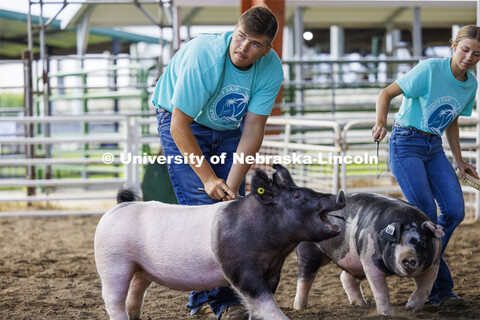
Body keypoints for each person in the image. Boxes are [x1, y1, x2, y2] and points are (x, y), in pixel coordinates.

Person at [151, 5, 283, 319]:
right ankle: (223, 301)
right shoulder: (205, 56)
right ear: (234, 30)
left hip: (228, 127)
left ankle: (201, 299)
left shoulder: (271, 69)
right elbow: (178, 126)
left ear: (267, 49)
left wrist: (232, 188)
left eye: (254, 44)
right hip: (182, 120)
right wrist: (210, 180)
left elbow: (253, 130)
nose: (243, 47)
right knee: (201, 205)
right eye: (240, 37)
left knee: (225, 210)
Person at [372, 25, 480, 307]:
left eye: (477, 54)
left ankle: (419, 255)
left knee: (455, 211)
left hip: (434, 147)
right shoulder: (429, 70)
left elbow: (452, 119)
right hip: (405, 143)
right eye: (465, 49)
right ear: (453, 45)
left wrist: (459, 160)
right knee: (427, 217)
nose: (469, 57)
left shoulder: (471, 84)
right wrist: (381, 122)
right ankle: (439, 290)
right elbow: (386, 94)